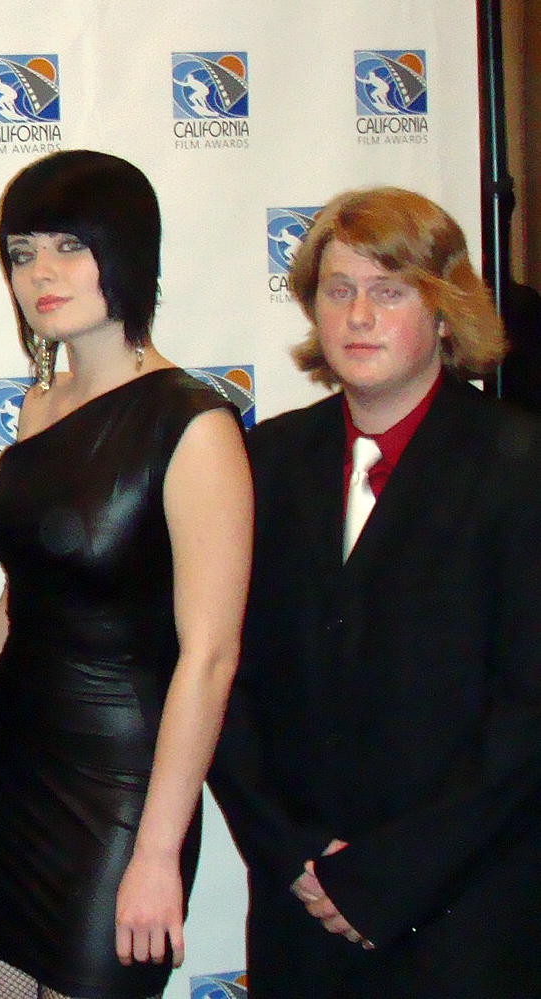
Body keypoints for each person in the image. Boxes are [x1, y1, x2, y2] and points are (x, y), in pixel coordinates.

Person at [209, 186, 541, 998]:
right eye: (339, 289)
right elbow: (221, 674)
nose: (359, 315)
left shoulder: (519, 464)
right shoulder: (264, 462)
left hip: (464, 918)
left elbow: (527, 712)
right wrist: (290, 856)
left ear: (443, 310)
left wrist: (385, 877)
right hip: (299, 916)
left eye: (389, 291)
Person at [0, 149, 251, 999]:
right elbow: (22, 587)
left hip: (118, 791)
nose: (40, 273)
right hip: (7, 779)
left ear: (126, 253)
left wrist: (158, 849)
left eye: (69, 247)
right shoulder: (38, 403)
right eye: (21, 251)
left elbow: (212, 655)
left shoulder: (192, 422)